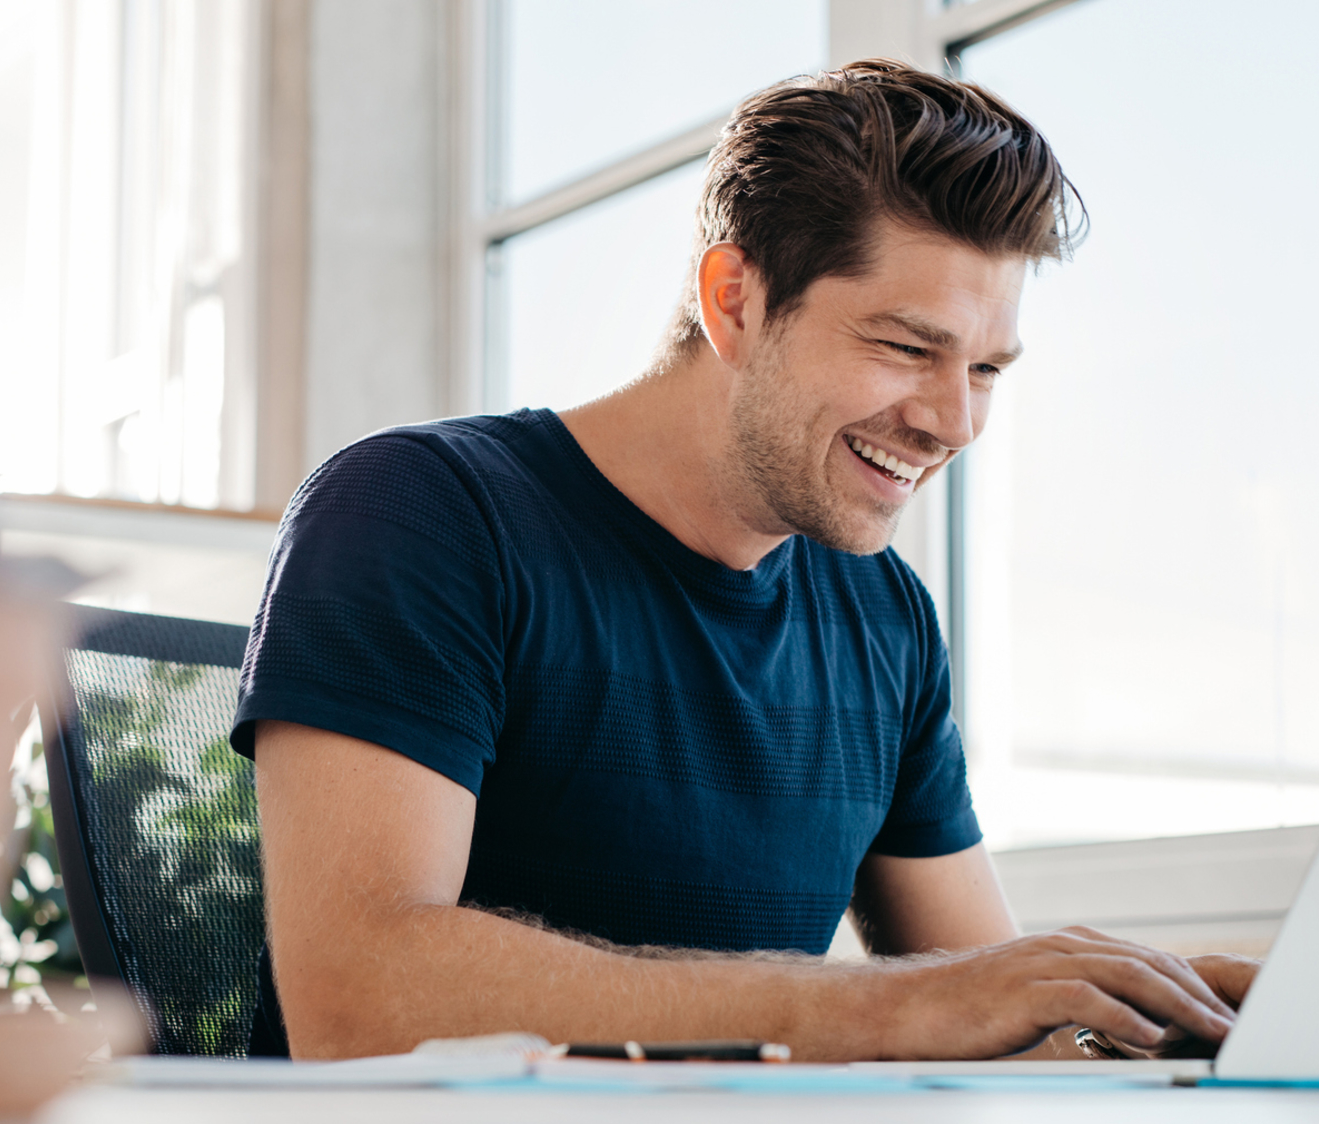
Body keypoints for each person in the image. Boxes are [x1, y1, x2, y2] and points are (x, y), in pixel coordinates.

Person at [230, 59, 1256, 1061]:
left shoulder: (884, 614)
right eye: (907, 348)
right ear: (733, 302)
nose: (954, 421)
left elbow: (979, 1011)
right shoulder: (421, 513)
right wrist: (879, 1010)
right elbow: (353, 1002)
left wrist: (1152, 1021)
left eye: (985, 367)